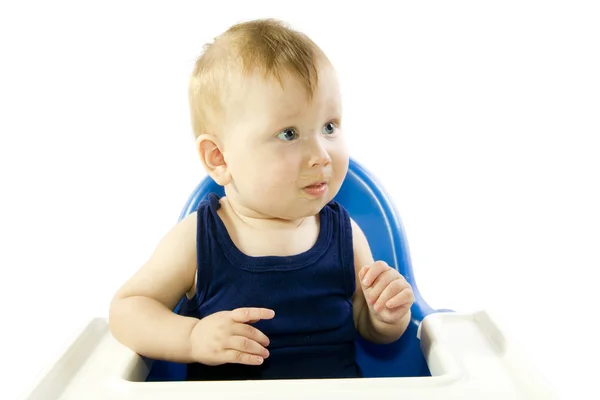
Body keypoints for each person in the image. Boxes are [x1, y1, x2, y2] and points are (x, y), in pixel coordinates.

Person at [108, 18, 414, 381]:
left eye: (329, 126)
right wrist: (191, 337)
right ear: (219, 158)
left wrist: (385, 316)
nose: (321, 154)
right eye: (289, 133)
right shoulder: (197, 239)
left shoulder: (345, 233)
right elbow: (127, 309)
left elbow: (368, 326)